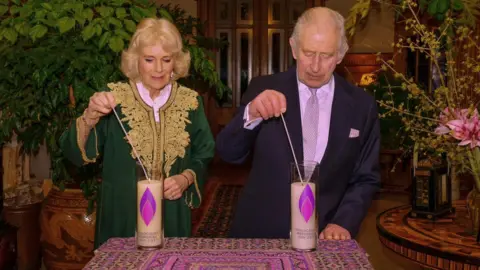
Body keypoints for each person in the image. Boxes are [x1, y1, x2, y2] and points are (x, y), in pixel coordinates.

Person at [216, 7, 380, 240]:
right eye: (308, 53)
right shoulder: (263, 88)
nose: (315, 66)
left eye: (326, 56)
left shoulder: (362, 106)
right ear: (293, 47)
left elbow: (366, 177)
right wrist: (251, 114)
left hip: (325, 237)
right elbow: (228, 153)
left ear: (341, 55)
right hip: (260, 234)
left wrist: (343, 223)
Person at [60, 18, 215, 248]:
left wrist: (186, 178)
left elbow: (204, 154)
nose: (159, 68)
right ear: (136, 61)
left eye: (166, 59)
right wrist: (90, 115)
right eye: (149, 60)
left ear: (176, 62)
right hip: (121, 217)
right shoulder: (113, 98)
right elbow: (73, 153)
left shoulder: (190, 102)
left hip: (172, 215)